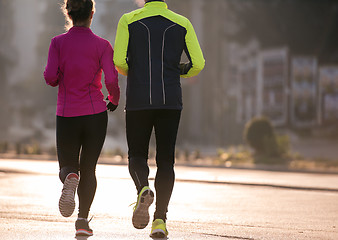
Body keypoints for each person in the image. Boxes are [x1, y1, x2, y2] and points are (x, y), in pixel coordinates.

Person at [113, 0, 205, 238]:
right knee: (166, 162)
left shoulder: (128, 20)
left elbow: (119, 62)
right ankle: (160, 221)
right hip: (169, 101)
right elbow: (198, 64)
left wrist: (134, 70)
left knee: (136, 155)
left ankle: (143, 187)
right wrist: (177, 70)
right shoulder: (182, 23)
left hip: (138, 100)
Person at [43, 0, 120, 236]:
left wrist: (60, 78)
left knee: (67, 166)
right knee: (90, 168)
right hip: (96, 114)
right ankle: (83, 221)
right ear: (92, 14)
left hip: (67, 114)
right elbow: (111, 80)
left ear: (68, 13)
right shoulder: (103, 45)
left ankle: (70, 176)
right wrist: (114, 99)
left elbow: (50, 76)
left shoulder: (57, 43)